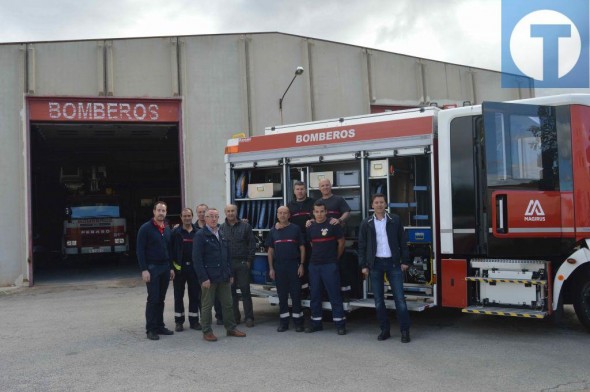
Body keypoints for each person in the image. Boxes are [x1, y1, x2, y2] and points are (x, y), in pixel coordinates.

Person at [358, 193, 411, 343]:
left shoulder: (395, 220)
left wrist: (405, 261)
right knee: (379, 301)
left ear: (386, 204)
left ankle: (405, 331)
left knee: (400, 299)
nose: (379, 205)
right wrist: (363, 265)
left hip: (393, 264)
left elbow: (403, 242)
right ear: (372, 205)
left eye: (382, 202)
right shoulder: (366, 223)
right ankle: (384, 330)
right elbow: (362, 246)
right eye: (376, 202)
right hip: (375, 265)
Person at [193, 208, 246, 341]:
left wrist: (230, 273)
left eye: (216, 216)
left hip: (224, 276)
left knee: (228, 304)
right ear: (205, 218)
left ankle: (231, 328)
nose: (214, 219)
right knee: (207, 305)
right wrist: (203, 277)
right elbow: (197, 259)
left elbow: (228, 256)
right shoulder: (200, 235)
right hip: (209, 278)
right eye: (210, 216)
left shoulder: (221, 233)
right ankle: (207, 331)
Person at [305, 200, 346, 335]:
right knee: (315, 295)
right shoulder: (310, 226)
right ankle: (316, 323)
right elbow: (311, 244)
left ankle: (340, 324)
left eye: (322, 211)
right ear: (313, 212)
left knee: (334, 294)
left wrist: (335, 259)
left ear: (326, 211)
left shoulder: (333, 224)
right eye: (317, 211)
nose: (319, 214)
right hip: (314, 265)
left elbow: (341, 243)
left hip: (330, 264)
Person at [136, 201, 175, 341]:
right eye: (158, 210)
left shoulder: (167, 228)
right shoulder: (145, 228)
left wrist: (171, 267)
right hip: (152, 268)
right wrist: (144, 269)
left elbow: (170, 249)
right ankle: (151, 329)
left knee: (161, 299)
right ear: (154, 211)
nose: (161, 213)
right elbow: (140, 250)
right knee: (153, 299)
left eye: (163, 211)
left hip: (165, 267)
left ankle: (160, 326)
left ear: (165, 213)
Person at [267, 206, 306, 332]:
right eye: (280, 213)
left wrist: (301, 264)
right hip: (279, 266)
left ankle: (298, 323)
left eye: (285, 213)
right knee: (282, 295)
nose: (282, 215)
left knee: (296, 295)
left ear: (289, 215)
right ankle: (283, 323)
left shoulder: (295, 229)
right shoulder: (273, 230)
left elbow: (302, 248)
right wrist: (271, 268)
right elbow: (270, 251)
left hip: (293, 265)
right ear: (277, 214)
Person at [220, 204, 256, 327]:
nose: (230, 213)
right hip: (228, 264)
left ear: (236, 212)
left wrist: (249, 261)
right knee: (231, 292)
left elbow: (252, 244)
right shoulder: (221, 228)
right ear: (225, 213)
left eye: (232, 211)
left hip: (242, 263)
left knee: (245, 291)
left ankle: (249, 318)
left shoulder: (246, 226)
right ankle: (235, 317)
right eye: (228, 211)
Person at [317, 178, 353, 301]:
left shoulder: (338, 199)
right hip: (324, 241)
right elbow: (315, 217)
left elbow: (347, 212)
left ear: (330, 186)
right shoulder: (318, 202)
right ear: (319, 188)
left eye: (327, 185)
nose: (325, 187)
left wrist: (340, 220)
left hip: (338, 239)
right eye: (323, 185)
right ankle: (327, 293)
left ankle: (346, 294)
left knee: (341, 266)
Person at [171, 207, 201, 332]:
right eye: (184, 216)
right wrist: (171, 268)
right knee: (178, 296)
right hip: (179, 270)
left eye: (189, 216)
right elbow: (170, 251)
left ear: (192, 217)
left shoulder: (198, 232)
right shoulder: (175, 232)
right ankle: (179, 322)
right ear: (181, 217)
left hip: (194, 269)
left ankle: (194, 321)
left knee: (194, 295)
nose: (187, 218)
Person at [286, 181, 315, 298]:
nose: (300, 191)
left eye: (302, 189)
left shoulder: (313, 203)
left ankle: (313, 291)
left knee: (310, 265)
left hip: (311, 240)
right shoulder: (289, 205)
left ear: (306, 190)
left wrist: (312, 220)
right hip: (296, 241)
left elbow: (320, 215)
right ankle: (302, 291)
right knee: (299, 266)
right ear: (294, 191)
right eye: (297, 189)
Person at [196, 203, 223, 325]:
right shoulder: (196, 230)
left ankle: (220, 317)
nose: (202, 214)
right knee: (205, 300)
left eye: (204, 212)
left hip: (218, 272)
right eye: (200, 212)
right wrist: (203, 276)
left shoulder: (220, 230)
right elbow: (197, 257)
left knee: (219, 299)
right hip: (204, 271)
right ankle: (205, 325)